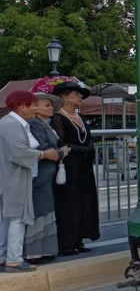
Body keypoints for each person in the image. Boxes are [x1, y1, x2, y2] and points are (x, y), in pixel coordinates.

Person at [1, 91, 62, 272]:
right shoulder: (11, 124)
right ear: (21, 107)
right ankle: (13, 259)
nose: (35, 109)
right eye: (33, 105)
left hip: (14, 176)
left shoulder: (14, 123)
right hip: (14, 177)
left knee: (8, 218)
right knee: (17, 218)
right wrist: (44, 154)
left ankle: (5, 256)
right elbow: (19, 152)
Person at [50, 81, 99, 255]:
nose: (80, 97)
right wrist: (83, 149)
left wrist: (89, 149)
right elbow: (61, 143)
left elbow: (89, 138)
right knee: (68, 202)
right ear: (65, 96)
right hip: (68, 167)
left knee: (84, 200)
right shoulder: (57, 117)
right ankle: (67, 242)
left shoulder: (81, 118)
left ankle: (79, 238)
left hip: (83, 166)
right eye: (76, 94)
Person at [24, 93, 65, 263]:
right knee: (40, 210)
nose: (51, 108)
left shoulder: (43, 123)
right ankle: (34, 252)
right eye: (46, 105)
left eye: (51, 105)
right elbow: (41, 147)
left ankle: (45, 250)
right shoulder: (34, 124)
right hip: (40, 173)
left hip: (46, 172)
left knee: (46, 210)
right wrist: (61, 152)